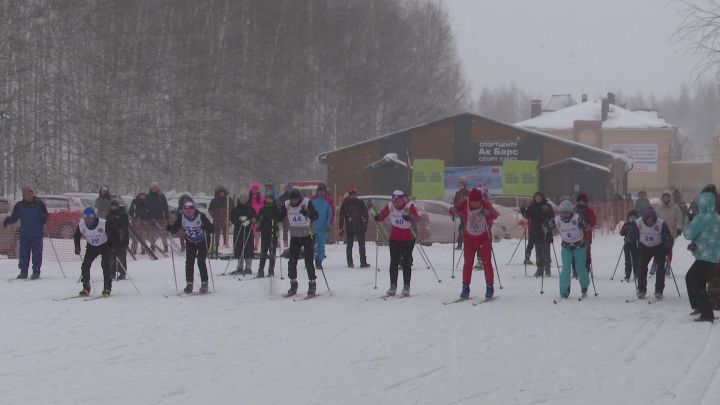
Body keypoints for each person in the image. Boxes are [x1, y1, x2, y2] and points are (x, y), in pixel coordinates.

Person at [450, 188, 498, 299]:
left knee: (486, 263)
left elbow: (495, 214)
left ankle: (490, 287)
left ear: (480, 200)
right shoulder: (465, 202)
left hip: (484, 238)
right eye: (472, 201)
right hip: (469, 238)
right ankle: (465, 288)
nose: (474, 203)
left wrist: (488, 214)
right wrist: (452, 210)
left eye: (477, 201)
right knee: (468, 263)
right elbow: (455, 210)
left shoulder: (485, 203)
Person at [374, 190, 420, 297]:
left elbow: (417, 217)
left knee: (406, 262)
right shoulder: (390, 205)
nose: (396, 203)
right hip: (394, 238)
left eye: (398, 201)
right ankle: (393, 286)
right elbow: (382, 215)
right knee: (394, 262)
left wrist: (409, 217)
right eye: (395, 201)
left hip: (408, 237)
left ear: (403, 199)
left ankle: (406, 286)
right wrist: (378, 217)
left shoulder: (409, 205)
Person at [684, 190, 720, 322]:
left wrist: (687, 221)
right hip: (715, 256)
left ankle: (705, 312)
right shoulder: (717, 217)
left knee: (693, 280)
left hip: (704, 257)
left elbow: (688, 234)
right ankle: (702, 308)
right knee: (698, 281)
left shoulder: (701, 218)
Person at [277, 189, 319, 297]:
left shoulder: (306, 202)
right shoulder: (287, 204)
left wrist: (307, 213)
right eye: (292, 199)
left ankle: (312, 283)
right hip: (295, 236)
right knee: (292, 261)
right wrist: (277, 215)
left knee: (308, 260)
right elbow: (279, 215)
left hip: (307, 235)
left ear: (299, 198)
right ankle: (293, 283)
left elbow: (315, 216)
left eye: (296, 199)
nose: (294, 201)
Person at [166, 200, 214, 294]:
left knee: (200, 261)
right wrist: (170, 228)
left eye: (190, 208)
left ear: (194, 209)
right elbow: (175, 229)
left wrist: (206, 227)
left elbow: (212, 229)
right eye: (186, 209)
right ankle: (189, 284)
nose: (188, 211)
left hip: (203, 241)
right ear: (183, 210)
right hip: (190, 241)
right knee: (189, 262)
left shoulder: (200, 216)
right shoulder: (181, 217)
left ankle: (204, 284)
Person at [3, 185, 48, 279]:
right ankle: (23, 272)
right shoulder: (19, 205)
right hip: (25, 234)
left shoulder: (39, 203)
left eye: (31, 193)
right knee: (23, 254)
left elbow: (45, 215)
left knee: (37, 254)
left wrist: (44, 218)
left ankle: (36, 272)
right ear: (23, 195)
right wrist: (8, 221)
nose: (29, 195)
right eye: (27, 194)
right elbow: (15, 217)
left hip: (37, 234)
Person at [549, 200, 590, 298]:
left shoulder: (577, 218)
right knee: (566, 268)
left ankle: (584, 286)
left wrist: (586, 236)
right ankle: (564, 290)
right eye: (562, 212)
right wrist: (545, 227)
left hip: (579, 246)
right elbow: (548, 225)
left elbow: (587, 228)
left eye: (566, 212)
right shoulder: (557, 219)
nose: (564, 215)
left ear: (570, 212)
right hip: (566, 247)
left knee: (580, 268)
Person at [74, 207, 117, 296]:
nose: (88, 221)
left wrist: (113, 246)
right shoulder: (81, 225)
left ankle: (107, 287)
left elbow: (114, 233)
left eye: (90, 218)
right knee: (85, 266)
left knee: (105, 265)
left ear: (94, 217)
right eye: (86, 219)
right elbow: (77, 236)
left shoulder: (103, 223)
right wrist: (77, 247)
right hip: (92, 247)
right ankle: (86, 287)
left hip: (105, 245)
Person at [635, 207, 674, 300]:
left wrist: (668, 245)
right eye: (648, 219)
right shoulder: (639, 222)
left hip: (658, 247)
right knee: (641, 268)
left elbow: (668, 236)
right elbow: (633, 232)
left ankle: (659, 291)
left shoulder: (661, 223)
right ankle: (641, 290)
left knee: (660, 268)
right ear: (645, 218)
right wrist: (629, 238)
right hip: (644, 247)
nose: (650, 221)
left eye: (652, 219)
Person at [522, 192, 554, 277]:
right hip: (535, 232)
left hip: (545, 231)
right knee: (538, 252)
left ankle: (547, 269)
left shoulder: (547, 206)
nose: (537, 199)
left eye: (539, 197)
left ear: (542, 198)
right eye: (536, 197)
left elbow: (552, 217)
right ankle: (539, 269)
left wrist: (547, 222)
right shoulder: (532, 207)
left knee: (546, 251)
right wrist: (523, 210)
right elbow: (527, 216)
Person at [652, 190, 683, 277]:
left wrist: (679, 228)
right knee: (658, 249)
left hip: (671, 233)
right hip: (660, 232)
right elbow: (654, 219)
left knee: (668, 249)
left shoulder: (675, 208)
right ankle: (655, 264)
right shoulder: (658, 208)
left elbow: (678, 219)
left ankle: (668, 266)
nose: (666, 199)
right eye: (664, 197)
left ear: (670, 198)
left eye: (667, 197)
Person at [339, 187, 369, 268]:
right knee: (350, 245)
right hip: (351, 227)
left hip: (359, 227)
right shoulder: (346, 203)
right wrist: (341, 227)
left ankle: (363, 262)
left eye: (354, 194)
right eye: (352, 194)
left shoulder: (359, 203)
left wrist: (365, 225)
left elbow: (365, 214)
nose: (353, 196)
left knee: (361, 245)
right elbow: (341, 216)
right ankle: (350, 262)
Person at [229, 197, 256, 275]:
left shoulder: (251, 209)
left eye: (244, 199)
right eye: (241, 199)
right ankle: (240, 267)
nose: (243, 200)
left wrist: (250, 221)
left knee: (248, 248)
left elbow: (255, 218)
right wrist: (239, 220)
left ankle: (248, 267)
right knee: (238, 248)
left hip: (248, 231)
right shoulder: (236, 209)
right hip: (238, 231)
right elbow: (232, 219)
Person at [256, 192, 280, 278]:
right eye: (267, 198)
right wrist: (258, 225)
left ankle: (271, 270)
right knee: (263, 252)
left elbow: (279, 219)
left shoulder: (275, 209)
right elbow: (259, 219)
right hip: (265, 232)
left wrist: (275, 221)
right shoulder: (263, 209)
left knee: (272, 252)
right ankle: (261, 270)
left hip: (273, 232)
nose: (268, 199)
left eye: (270, 198)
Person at [311, 183, 334, 270]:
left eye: (323, 191)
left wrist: (329, 224)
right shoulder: (312, 200)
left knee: (321, 245)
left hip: (322, 228)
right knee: (311, 245)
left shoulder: (328, 202)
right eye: (320, 191)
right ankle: (309, 260)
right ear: (317, 191)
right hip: (313, 227)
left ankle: (319, 261)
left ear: (325, 192)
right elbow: (308, 212)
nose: (321, 193)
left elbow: (330, 214)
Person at [573, 192, 596, 277]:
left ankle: (586, 269)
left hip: (586, 236)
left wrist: (586, 221)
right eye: (580, 201)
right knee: (575, 253)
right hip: (575, 236)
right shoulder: (574, 211)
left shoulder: (590, 211)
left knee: (586, 253)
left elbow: (593, 222)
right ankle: (575, 270)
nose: (581, 203)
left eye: (583, 201)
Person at [106, 200, 129, 280]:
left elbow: (125, 226)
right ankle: (112, 273)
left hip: (122, 240)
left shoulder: (123, 214)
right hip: (111, 240)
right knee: (111, 258)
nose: (113, 207)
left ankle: (122, 273)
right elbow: (107, 226)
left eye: (115, 206)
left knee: (121, 257)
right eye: (112, 206)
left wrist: (121, 232)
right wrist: (108, 234)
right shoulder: (109, 215)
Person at [145, 182, 170, 253]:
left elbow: (165, 207)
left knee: (163, 233)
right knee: (152, 233)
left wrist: (167, 217)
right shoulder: (148, 196)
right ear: (151, 189)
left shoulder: (161, 196)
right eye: (153, 188)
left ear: (158, 188)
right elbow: (145, 208)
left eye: (156, 187)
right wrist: (149, 217)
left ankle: (165, 246)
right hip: (151, 218)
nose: (155, 189)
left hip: (161, 218)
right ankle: (153, 245)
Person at [619, 209, 639, 282]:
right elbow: (621, 233)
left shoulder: (638, 224)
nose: (632, 219)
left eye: (634, 218)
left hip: (635, 244)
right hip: (627, 244)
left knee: (635, 260)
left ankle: (636, 274)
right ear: (628, 218)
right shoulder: (626, 224)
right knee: (628, 260)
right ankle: (627, 274)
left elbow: (640, 233)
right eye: (631, 218)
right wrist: (625, 230)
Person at [452, 181, 469, 250]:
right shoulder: (457, 193)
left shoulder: (468, 192)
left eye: (460, 185)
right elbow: (455, 204)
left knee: (465, 229)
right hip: (461, 214)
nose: (459, 186)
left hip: (468, 214)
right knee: (461, 229)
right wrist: (454, 213)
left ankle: (467, 245)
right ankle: (459, 245)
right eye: (458, 185)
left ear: (464, 185)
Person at [248, 183, 264, 252]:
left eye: (256, 189)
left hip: (258, 216)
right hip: (250, 217)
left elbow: (263, 206)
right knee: (250, 232)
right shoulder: (248, 198)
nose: (255, 190)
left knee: (257, 232)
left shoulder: (261, 198)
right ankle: (251, 245)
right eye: (253, 189)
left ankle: (256, 246)